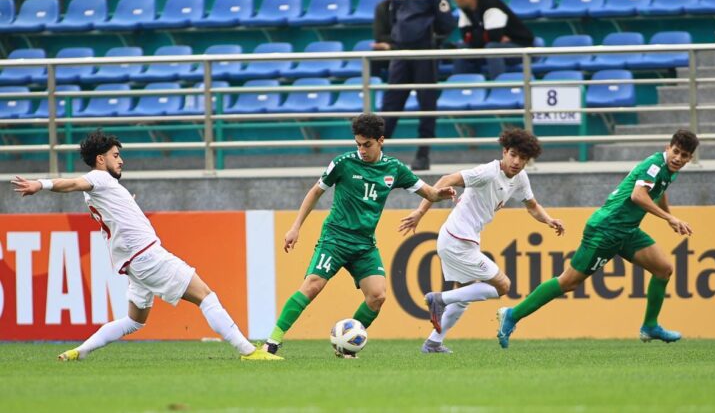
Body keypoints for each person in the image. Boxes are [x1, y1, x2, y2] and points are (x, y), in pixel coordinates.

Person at [11, 130, 273, 361]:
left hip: (134, 265)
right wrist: (41, 184)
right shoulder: (98, 178)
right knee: (206, 296)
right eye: (115, 155)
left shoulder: (101, 192)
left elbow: (109, 212)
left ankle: (80, 351)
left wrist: (128, 204)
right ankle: (249, 351)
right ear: (100, 159)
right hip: (147, 257)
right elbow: (72, 183)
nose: (121, 160)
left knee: (133, 322)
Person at [259, 113, 456, 359]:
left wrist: (441, 194)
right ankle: (271, 343)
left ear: (381, 141)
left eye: (367, 145)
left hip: (364, 245)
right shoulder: (343, 163)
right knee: (313, 285)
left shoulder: (394, 169)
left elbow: (429, 193)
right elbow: (315, 192)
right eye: (358, 144)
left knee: (377, 296)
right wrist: (295, 227)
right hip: (335, 239)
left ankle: (346, 343)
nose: (361, 150)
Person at [497, 130, 700, 348]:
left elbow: (658, 190)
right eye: (676, 152)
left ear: (690, 158)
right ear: (668, 148)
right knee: (568, 282)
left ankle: (650, 326)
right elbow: (638, 195)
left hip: (627, 230)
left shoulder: (669, 170)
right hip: (606, 229)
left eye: (684, 155)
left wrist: (668, 216)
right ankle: (512, 314)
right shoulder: (655, 165)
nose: (678, 158)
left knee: (663, 269)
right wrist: (669, 218)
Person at [399, 128, 565, 353]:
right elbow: (447, 179)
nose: (517, 162)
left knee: (464, 296)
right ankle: (440, 299)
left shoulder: (520, 178)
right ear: (504, 151)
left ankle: (433, 343)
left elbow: (532, 206)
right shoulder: (488, 172)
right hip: (457, 239)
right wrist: (420, 212)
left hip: (462, 239)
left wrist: (549, 220)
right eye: (513, 155)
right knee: (503, 286)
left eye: (523, 158)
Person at [382, 0, 457, 171]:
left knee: (426, 103)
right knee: (391, 103)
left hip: (424, 51)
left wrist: (433, 39)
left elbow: (446, 20)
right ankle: (376, 153)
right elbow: (394, 17)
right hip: (401, 51)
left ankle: (423, 154)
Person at [451, 0, 535, 80]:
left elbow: (493, 37)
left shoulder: (491, 6)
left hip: (520, 46)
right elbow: (466, 37)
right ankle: (458, 84)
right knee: (462, 47)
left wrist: (477, 36)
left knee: (492, 48)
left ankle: (498, 86)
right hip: (492, 46)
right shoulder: (465, 8)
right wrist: (484, 36)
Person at [371, 0, 397, 80]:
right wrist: (390, 46)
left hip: (409, 48)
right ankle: (372, 87)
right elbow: (379, 36)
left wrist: (391, 46)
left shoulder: (413, 7)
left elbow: (412, 36)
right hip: (390, 47)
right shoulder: (382, 7)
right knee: (375, 56)